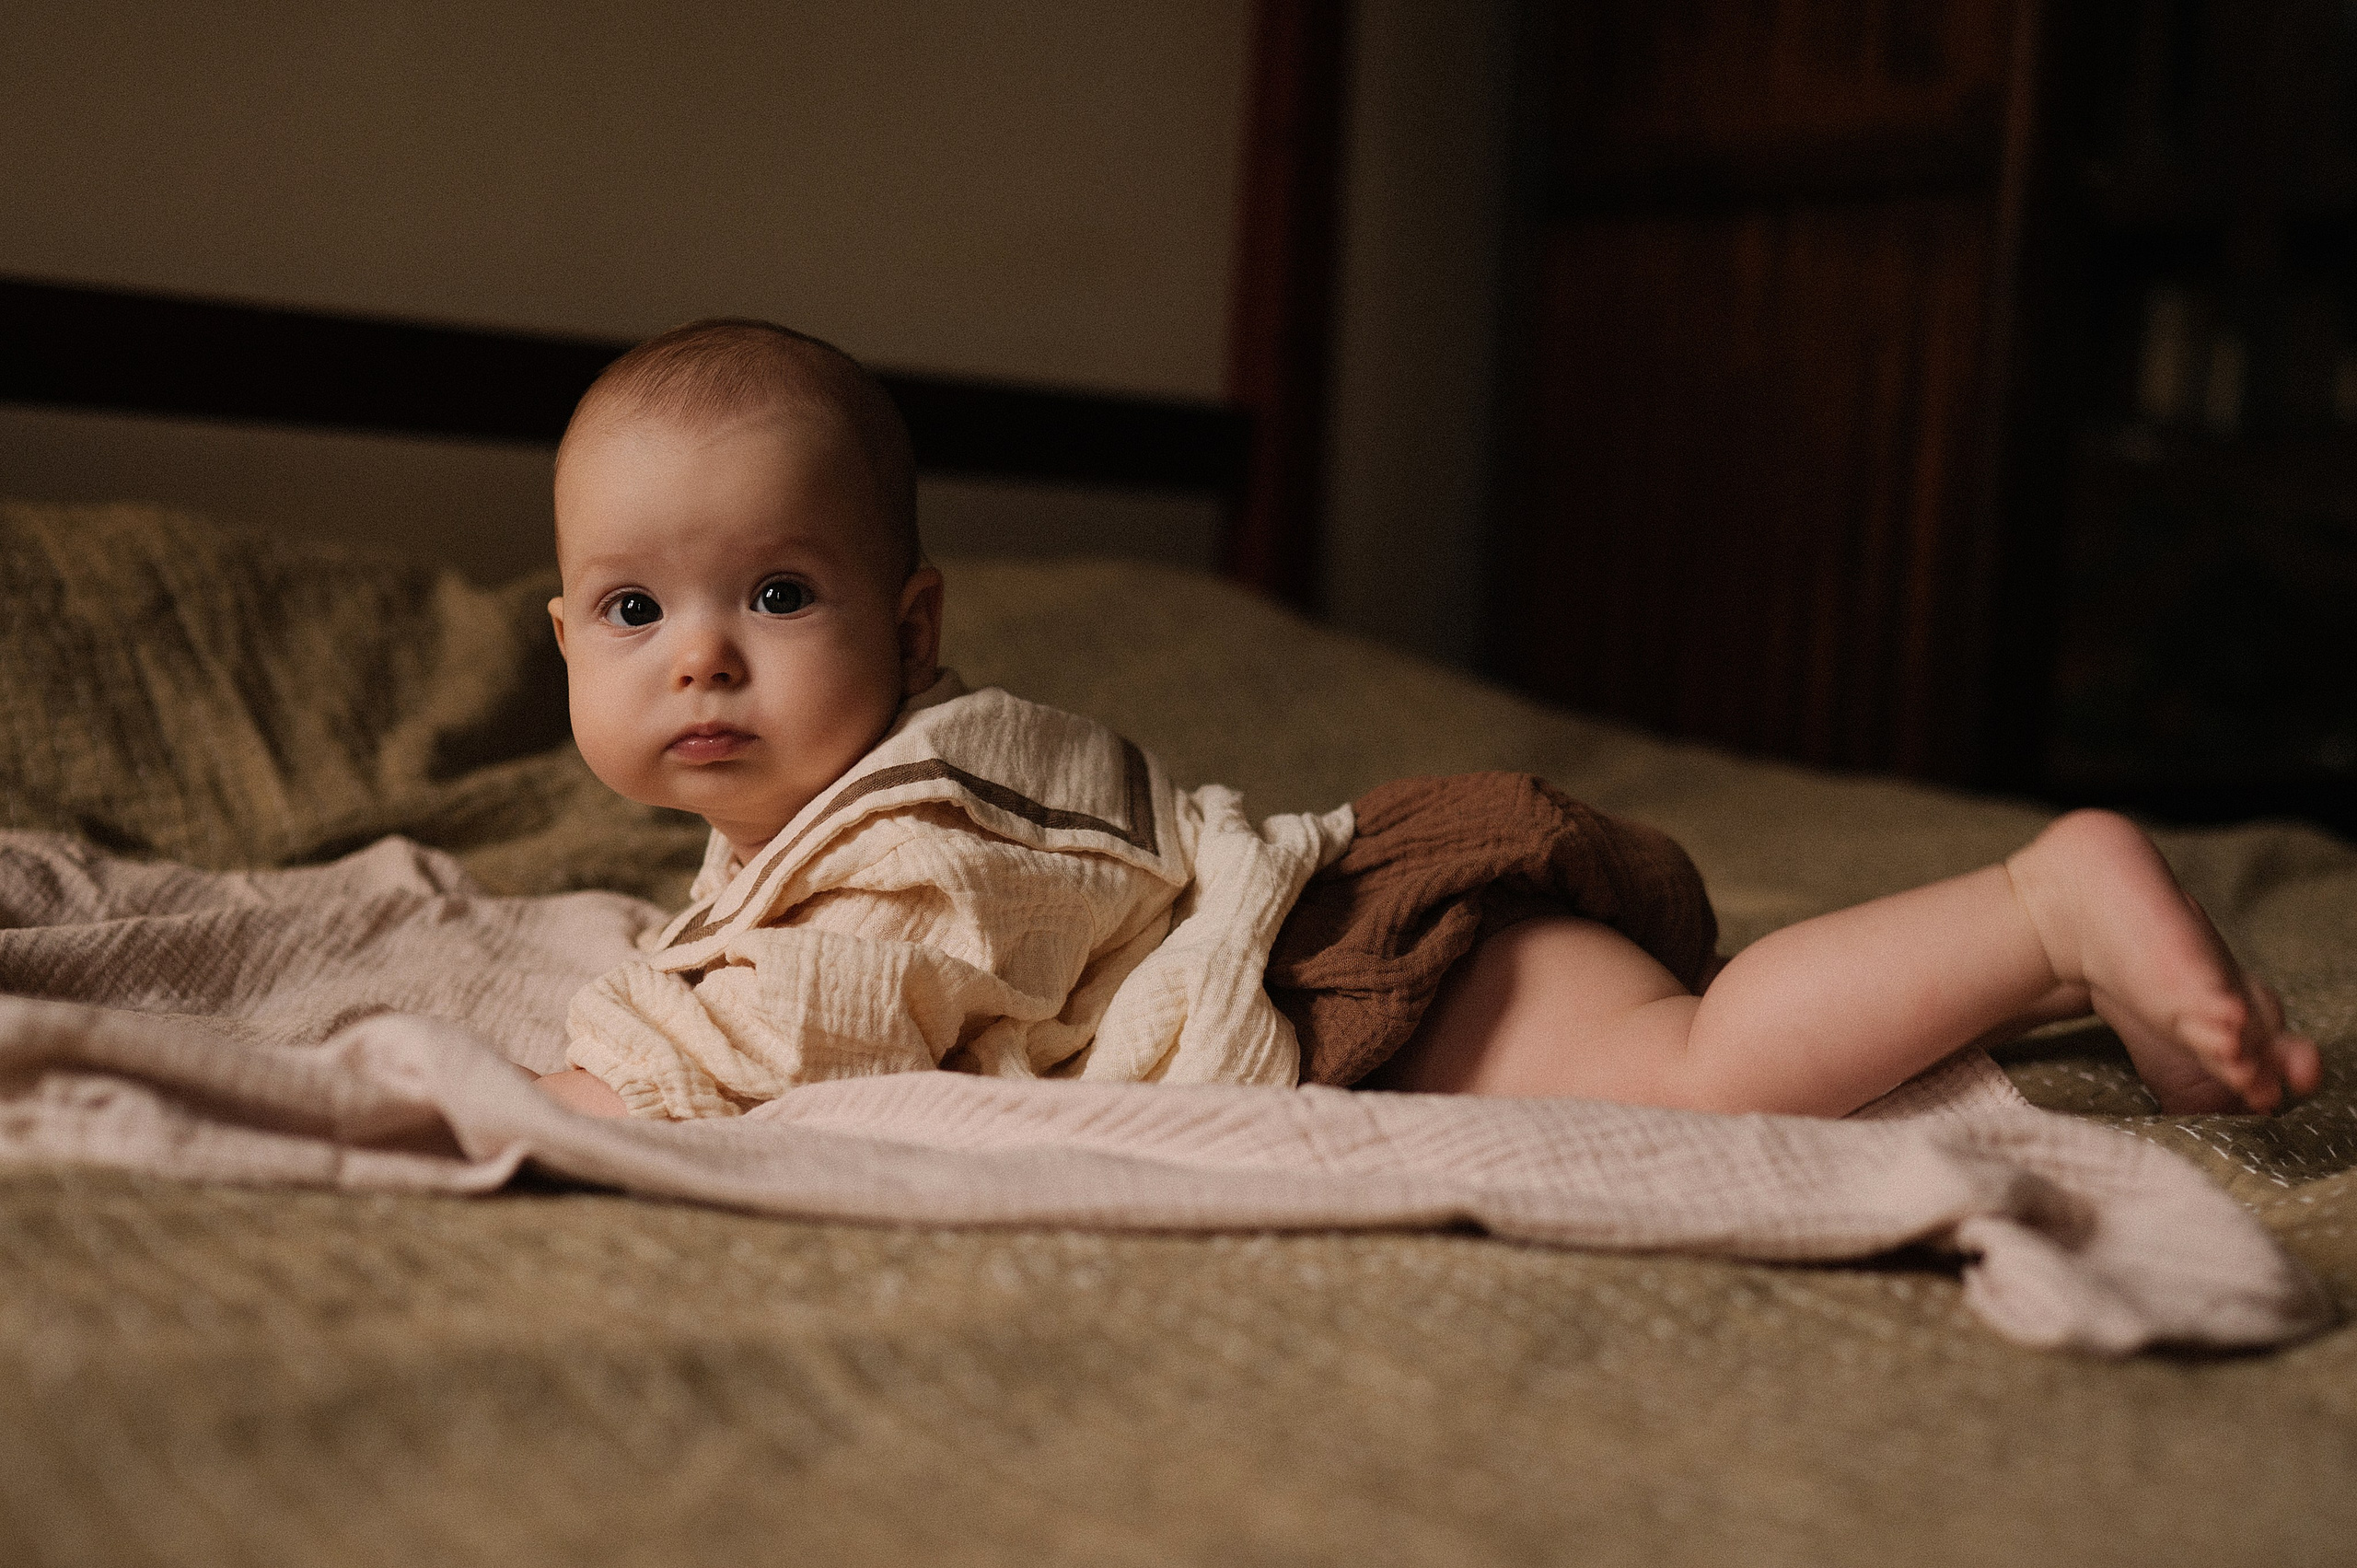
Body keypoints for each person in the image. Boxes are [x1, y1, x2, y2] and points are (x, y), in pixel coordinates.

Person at [532, 319, 2318, 1123]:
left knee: (1697, 1078)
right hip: (1364, 919)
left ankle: (2035, 906)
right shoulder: (789, 824)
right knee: (1698, 1043)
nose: (700, 658)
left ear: (911, 626)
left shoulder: (926, 819)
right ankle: (2066, 981)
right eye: (633, 611)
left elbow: (831, 1002)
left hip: (1348, 970)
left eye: (775, 596)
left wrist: (603, 1080)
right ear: (561, 643)